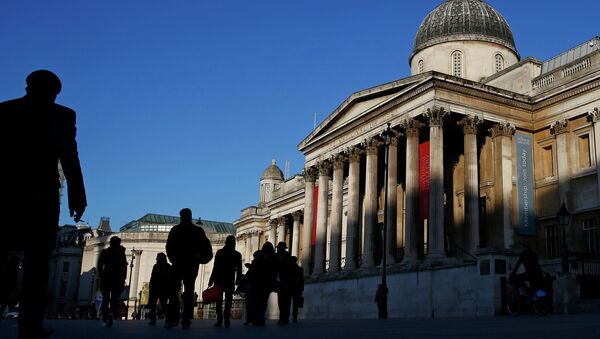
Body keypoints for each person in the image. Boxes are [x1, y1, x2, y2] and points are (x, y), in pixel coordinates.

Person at [0, 70, 87, 339]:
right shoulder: (62, 115)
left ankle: (30, 323)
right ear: (55, 92)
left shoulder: (5, 111)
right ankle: (31, 325)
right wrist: (78, 195)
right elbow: (70, 157)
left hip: (8, 193)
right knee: (38, 261)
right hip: (41, 194)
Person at [166, 208, 212, 330]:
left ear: (180, 216)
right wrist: (199, 258)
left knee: (173, 292)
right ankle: (186, 319)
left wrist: (172, 259)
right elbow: (207, 248)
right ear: (191, 216)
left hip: (177, 264)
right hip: (191, 265)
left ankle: (174, 317)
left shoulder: (175, 230)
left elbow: (169, 247)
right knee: (189, 292)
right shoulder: (197, 231)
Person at [209, 235, 242, 327]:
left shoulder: (220, 253)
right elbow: (239, 269)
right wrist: (238, 280)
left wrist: (211, 280)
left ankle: (219, 320)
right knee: (228, 300)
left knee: (218, 301)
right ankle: (227, 318)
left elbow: (215, 267)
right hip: (229, 278)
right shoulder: (237, 254)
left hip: (219, 278)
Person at [97, 236, 127, 328]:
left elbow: (100, 264)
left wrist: (101, 274)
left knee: (106, 298)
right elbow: (124, 266)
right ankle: (111, 313)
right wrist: (123, 278)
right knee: (114, 299)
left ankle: (105, 316)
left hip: (106, 277)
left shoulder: (105, 252)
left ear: (111, 243)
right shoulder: (121, 253)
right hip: (117, 279)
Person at [147, 253, 171, 325]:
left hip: (156, 288)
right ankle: (166, 319)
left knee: (153, 305)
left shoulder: (156, 266)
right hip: (164, 288)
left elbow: (152, 278)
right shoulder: (167, 266)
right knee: (163, 305)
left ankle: (153, 320)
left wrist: (151, 287)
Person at [275, 242, 293, 325]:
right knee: (281, 300)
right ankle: (283, 317)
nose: (278, 249)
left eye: (279, 248)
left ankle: (284, 318)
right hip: (280, 282)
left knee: (285, 300)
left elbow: (287, 270)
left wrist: (286, 281)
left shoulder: (287, 257)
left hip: (286, 282)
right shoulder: (278, 256)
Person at [290, 256, 304, 323]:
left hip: (290, 288)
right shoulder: (300, 269)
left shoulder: (289, 269)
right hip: (297, 288)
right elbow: (302, 280)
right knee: (295, 305)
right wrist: (302, 288)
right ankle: (294, 318)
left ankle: (286, 317)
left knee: (287, 303)